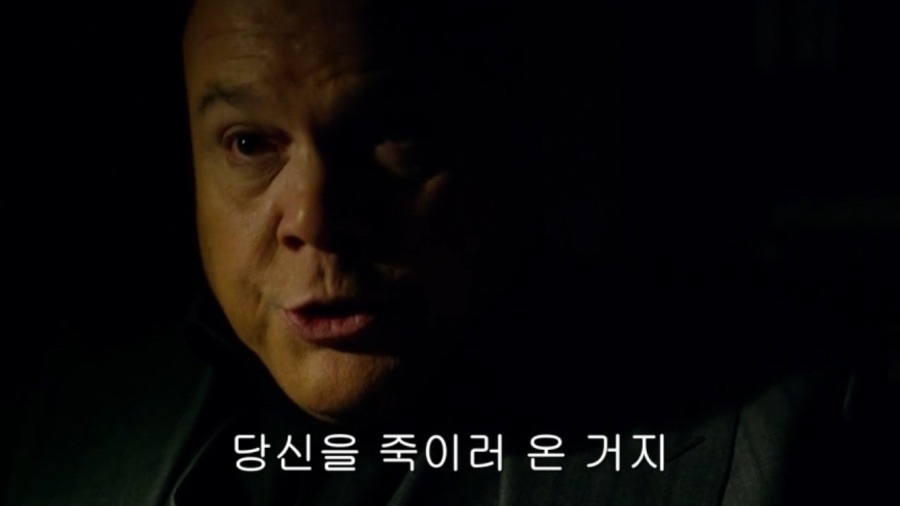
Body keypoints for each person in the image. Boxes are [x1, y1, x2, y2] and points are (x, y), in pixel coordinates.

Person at [6, 0, 896, 504]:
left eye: (390, 135)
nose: (315, 219)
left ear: (522, 132)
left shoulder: (792, 446)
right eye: (249, 144)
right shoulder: (62, 418)